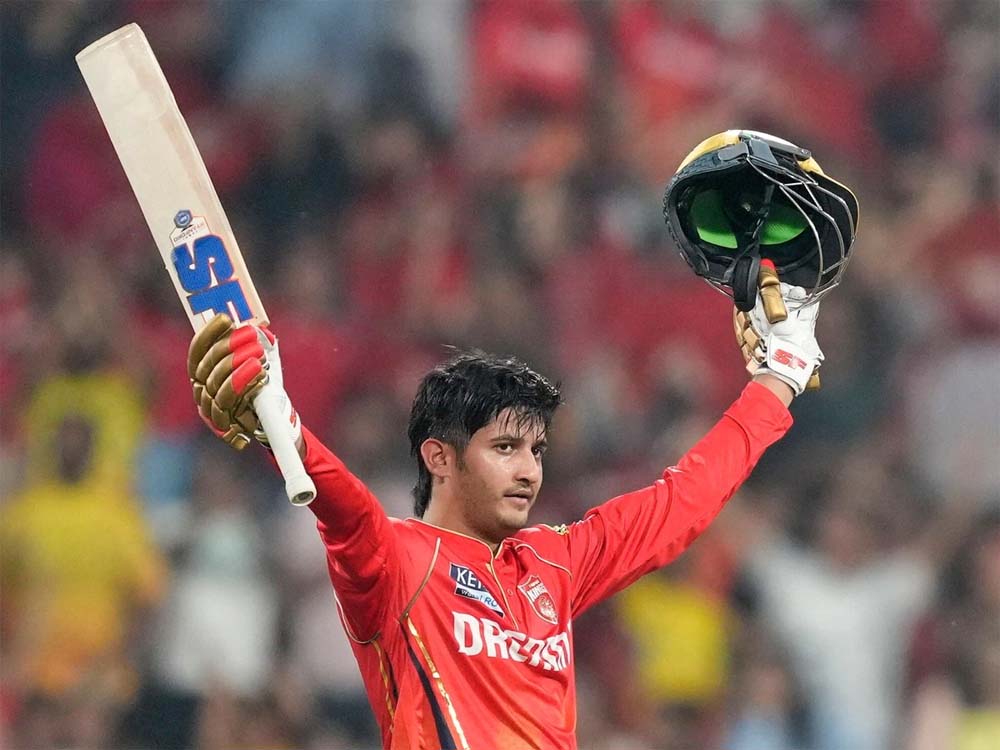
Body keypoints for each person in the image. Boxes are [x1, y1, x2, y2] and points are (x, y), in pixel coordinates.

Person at [184, 280, 821, 749]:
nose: (529, 471)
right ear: (440, 457)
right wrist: (287, 433)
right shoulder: (398, 562)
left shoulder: (556, 560)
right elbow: (346, 513)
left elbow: (682, 500)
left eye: (537, 451)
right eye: (505, 448)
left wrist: (778, 380)